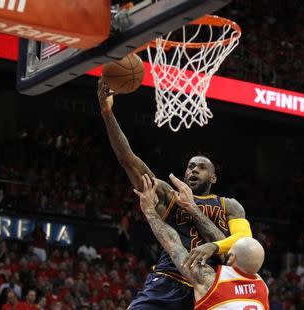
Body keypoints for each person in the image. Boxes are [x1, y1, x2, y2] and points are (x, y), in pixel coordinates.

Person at [97, 80, 253, 309]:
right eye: (190, 166)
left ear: (213, 178)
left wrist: (212, 243)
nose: (194, 170)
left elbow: (244, 244)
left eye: (201, 167)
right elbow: (128, 160)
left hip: (210, 286)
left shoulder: (230, 205)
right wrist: (107, 111)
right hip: (169, 280)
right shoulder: (170, 196)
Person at [134, 174, 269, 309]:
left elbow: (174, 247)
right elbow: (249, 253)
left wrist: (149, 211)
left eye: (228, 251)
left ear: (232, 257)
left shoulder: (212, 283)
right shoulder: (262, 288)